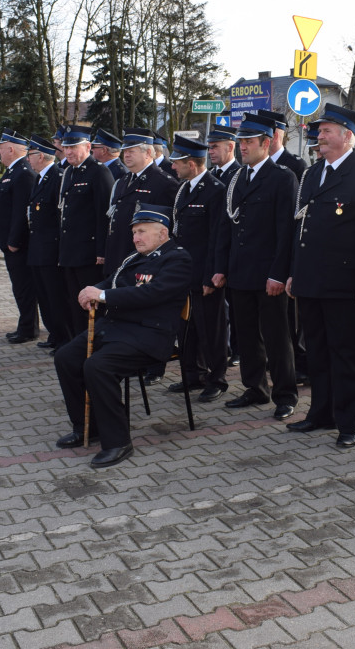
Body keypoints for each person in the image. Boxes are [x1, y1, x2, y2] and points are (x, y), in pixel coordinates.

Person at [285, 104, 355, 448]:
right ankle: (321, 413)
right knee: (317, 350)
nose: (320, 137)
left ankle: (349, 421)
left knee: (348, 353)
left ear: (348, 136)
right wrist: (293, 274)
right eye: (318, 131)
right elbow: (302, 228)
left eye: (327, 131)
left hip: (346, 284)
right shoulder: (315, 173)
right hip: (312, 281)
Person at [53, 204, 191, 468]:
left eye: (142, 232)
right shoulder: (136, 257)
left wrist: (103, 296)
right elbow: (116, 281)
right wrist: (94, 288)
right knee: (66, 357)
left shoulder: (177, 259)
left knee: (98, 367)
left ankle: (118, 442)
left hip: (149, 335)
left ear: (163, 233)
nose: (136, 237)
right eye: (134, 232)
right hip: (117, 328)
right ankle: (87, 427)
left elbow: (152, 294)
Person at [213, 116, 299, 420]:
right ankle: (255, 388)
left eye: (249, 142)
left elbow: (286, 232)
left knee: (277, 337)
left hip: (267, 275)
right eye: (241, 142)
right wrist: (220, 267)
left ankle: (285, 394)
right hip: (239, 272)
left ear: (266, 143)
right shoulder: (237, 178)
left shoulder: (282, 178)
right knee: (246, 335)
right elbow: (227, 227)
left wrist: (278, 273)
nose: (243, 147)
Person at [169, 134, 228, 402]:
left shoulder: (215, 190)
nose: (172, 167)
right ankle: (191, 375)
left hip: (204, 274)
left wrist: (210, 276)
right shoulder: (184, 189)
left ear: (191, 164)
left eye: (177, 162)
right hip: (184, 274)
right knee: (186, 329)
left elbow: (217, 237)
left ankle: (216, 379)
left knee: (211, 331)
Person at [253, 108, 310, 384]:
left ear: (275, 135)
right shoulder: (251, 168)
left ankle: (297, 364)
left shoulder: (295, 166)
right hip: (259, 259)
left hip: (283, 257)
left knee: (289, 321)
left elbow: (294, 218)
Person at [58, 125, 114, 338]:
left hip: (89, 253)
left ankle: (94, 344)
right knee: (74, 301)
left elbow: (104, 215)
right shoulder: (69, 173)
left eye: (73, 147)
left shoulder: (99, 172)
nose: (68, 151)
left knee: (91, 304)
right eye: (66, 147)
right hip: (70, 252)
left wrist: (102, 251)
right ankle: (78, 342)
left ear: (88, 146)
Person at [104, 128, 179, 277]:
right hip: (118, 256)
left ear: (148, 153)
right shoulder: (123, 181)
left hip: (142, 261)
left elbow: (166, 229)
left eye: (132, 151)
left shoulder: (164, 183)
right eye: (125, 151)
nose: (127, 155)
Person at [0, 130, 38, 343]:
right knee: (19, 287)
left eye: (0, 148)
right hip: (8, 241)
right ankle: (24, 325)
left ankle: (28, 329)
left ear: (10, 149)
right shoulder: (13, 171)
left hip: (18, 244)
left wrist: (14, 241)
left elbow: (21, 212)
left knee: (24, 287)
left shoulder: (23, 173)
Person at [26, 135, 72, 352]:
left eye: (30, 155)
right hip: (38, 247)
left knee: (56, 297)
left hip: (51, 249)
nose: (27, 159)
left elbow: (58, 216)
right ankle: (54, 334)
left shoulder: (57, 177)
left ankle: (64, 338)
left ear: (41, 156)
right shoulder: (40, 178)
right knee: (44, 296)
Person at [207, 123, 242, 368]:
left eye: (215, 147)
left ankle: (237, 349)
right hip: (216, 251)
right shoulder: (213, 175)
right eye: (209, 147)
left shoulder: (237, 174)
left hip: (233, 255)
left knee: (236, 309)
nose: (210, 152)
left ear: (230, 147)